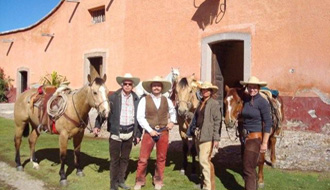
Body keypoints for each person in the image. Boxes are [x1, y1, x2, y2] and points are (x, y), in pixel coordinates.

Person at [93, 73, 142, 190]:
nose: (127, 86)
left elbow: (139, 118)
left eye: (130, 84)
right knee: (114, 161)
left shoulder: (136, 98)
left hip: (129, 133)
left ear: (133, 85)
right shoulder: (113, 97)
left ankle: (121, 181)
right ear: (122, 84)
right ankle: (113, 185)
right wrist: (97, 125)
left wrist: (138, 134)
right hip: (116, 133)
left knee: (125, 159)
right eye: (125, 84)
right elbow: (104, 111)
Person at [133, 76, 177, 190]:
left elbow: (173, 112)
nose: (156, 87)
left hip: (163, 131)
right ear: (151, 87)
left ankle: (158, 180)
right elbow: (140, 117)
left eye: (158, 85)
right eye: (154, 85)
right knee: (143, 158)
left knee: (161, 158)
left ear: (161, 88)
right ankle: (139, 181)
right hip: (149, 132)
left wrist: (172, 122)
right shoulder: (144, 99)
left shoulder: (166, 100)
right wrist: (150, 130)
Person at [239, 76, 272, 190]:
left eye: (254, 87)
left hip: (255, 138)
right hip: (246, 137)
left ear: (258, 88)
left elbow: (268, 123)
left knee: (248, 168)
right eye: (250, 87)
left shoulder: (262, 102)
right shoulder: (247, 100)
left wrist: (264, 143)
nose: (252, 89)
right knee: (249, 168)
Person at [188, 81, 222, 190]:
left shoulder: (214, 104)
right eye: (203, 90)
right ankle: (204, 183)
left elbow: (218, 121)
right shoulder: (201, 103)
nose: (205, 91)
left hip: (207, 136)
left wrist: (216, 138)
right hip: (198, 135)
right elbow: (196, 117)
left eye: (207, 90)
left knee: (204, 160)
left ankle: (208, 187)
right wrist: (187, 114)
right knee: (201, 160)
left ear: (211, 91)